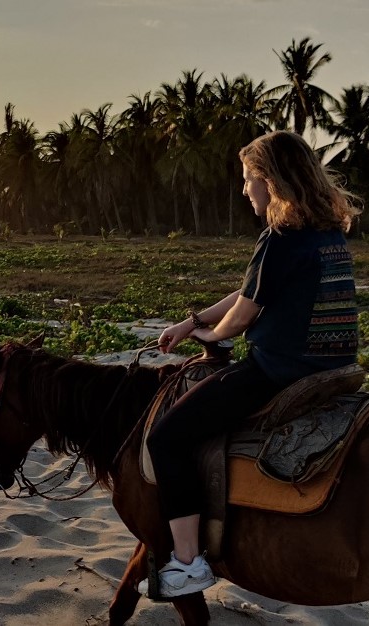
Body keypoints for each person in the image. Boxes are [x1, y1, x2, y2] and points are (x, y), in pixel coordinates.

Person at [141, 130, 360, 599]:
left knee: (167, 438)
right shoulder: (327, 232)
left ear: (270, 180)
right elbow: (249, 291)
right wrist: (194, 321)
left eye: (247, 179)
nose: (244, 190)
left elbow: (242, 315)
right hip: (334, 368)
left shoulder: (281, 237)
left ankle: (188, 563)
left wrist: (210, 335)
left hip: (280, 372)